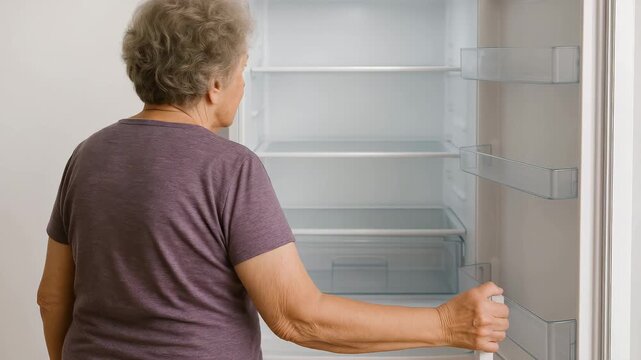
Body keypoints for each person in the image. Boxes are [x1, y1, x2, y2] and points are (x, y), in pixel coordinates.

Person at [36, 0, 509, 359]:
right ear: (214, 83)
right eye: (243, 69)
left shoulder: (88, 155)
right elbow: (296, 318)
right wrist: (447, 325)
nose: (246, 83)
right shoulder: (228, 167)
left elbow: (53, 297)